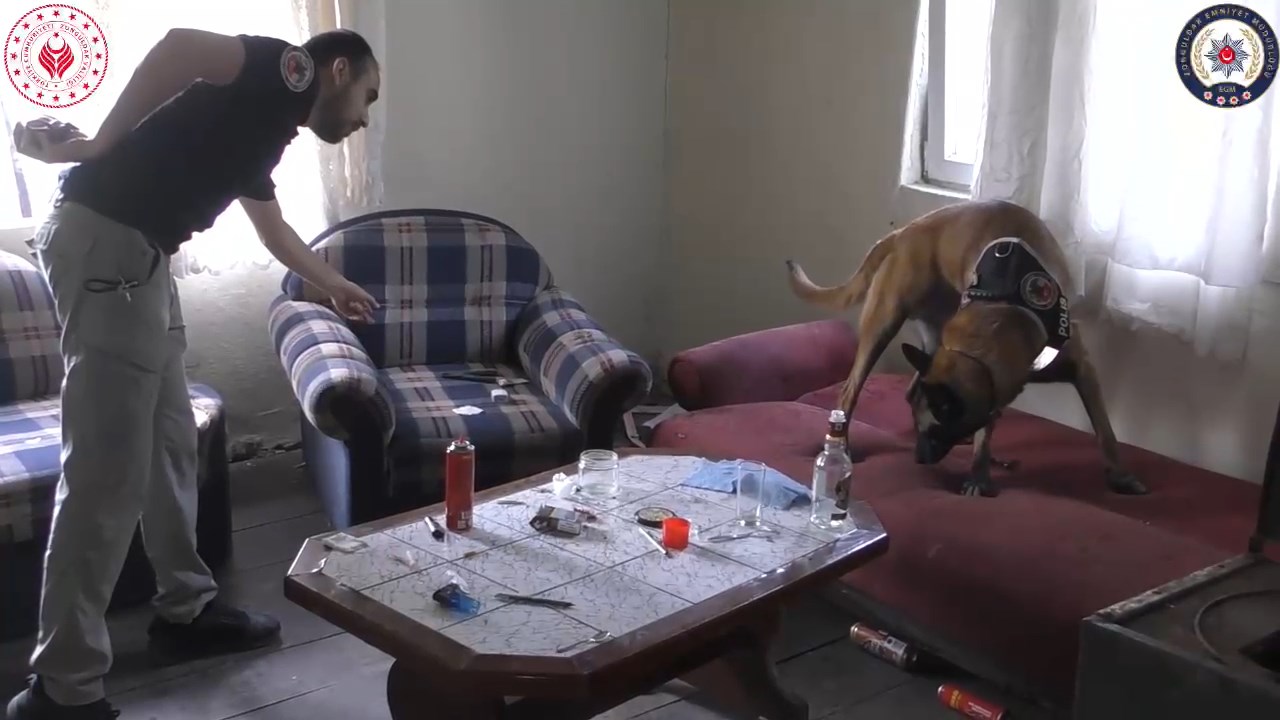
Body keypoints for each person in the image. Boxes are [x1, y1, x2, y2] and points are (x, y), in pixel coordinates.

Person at [6, 27, 381, 720]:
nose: (364, 117)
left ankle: (185, 610)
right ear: (337, 70)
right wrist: (99, 142)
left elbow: (273, 229)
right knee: (104, 474)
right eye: (368, 95)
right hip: (110, 252)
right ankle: (61, 686)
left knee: (169, 443)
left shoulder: (262, 126)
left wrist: (332, 284)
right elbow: (180, 44)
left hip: (137, 260)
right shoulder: (288, 73)